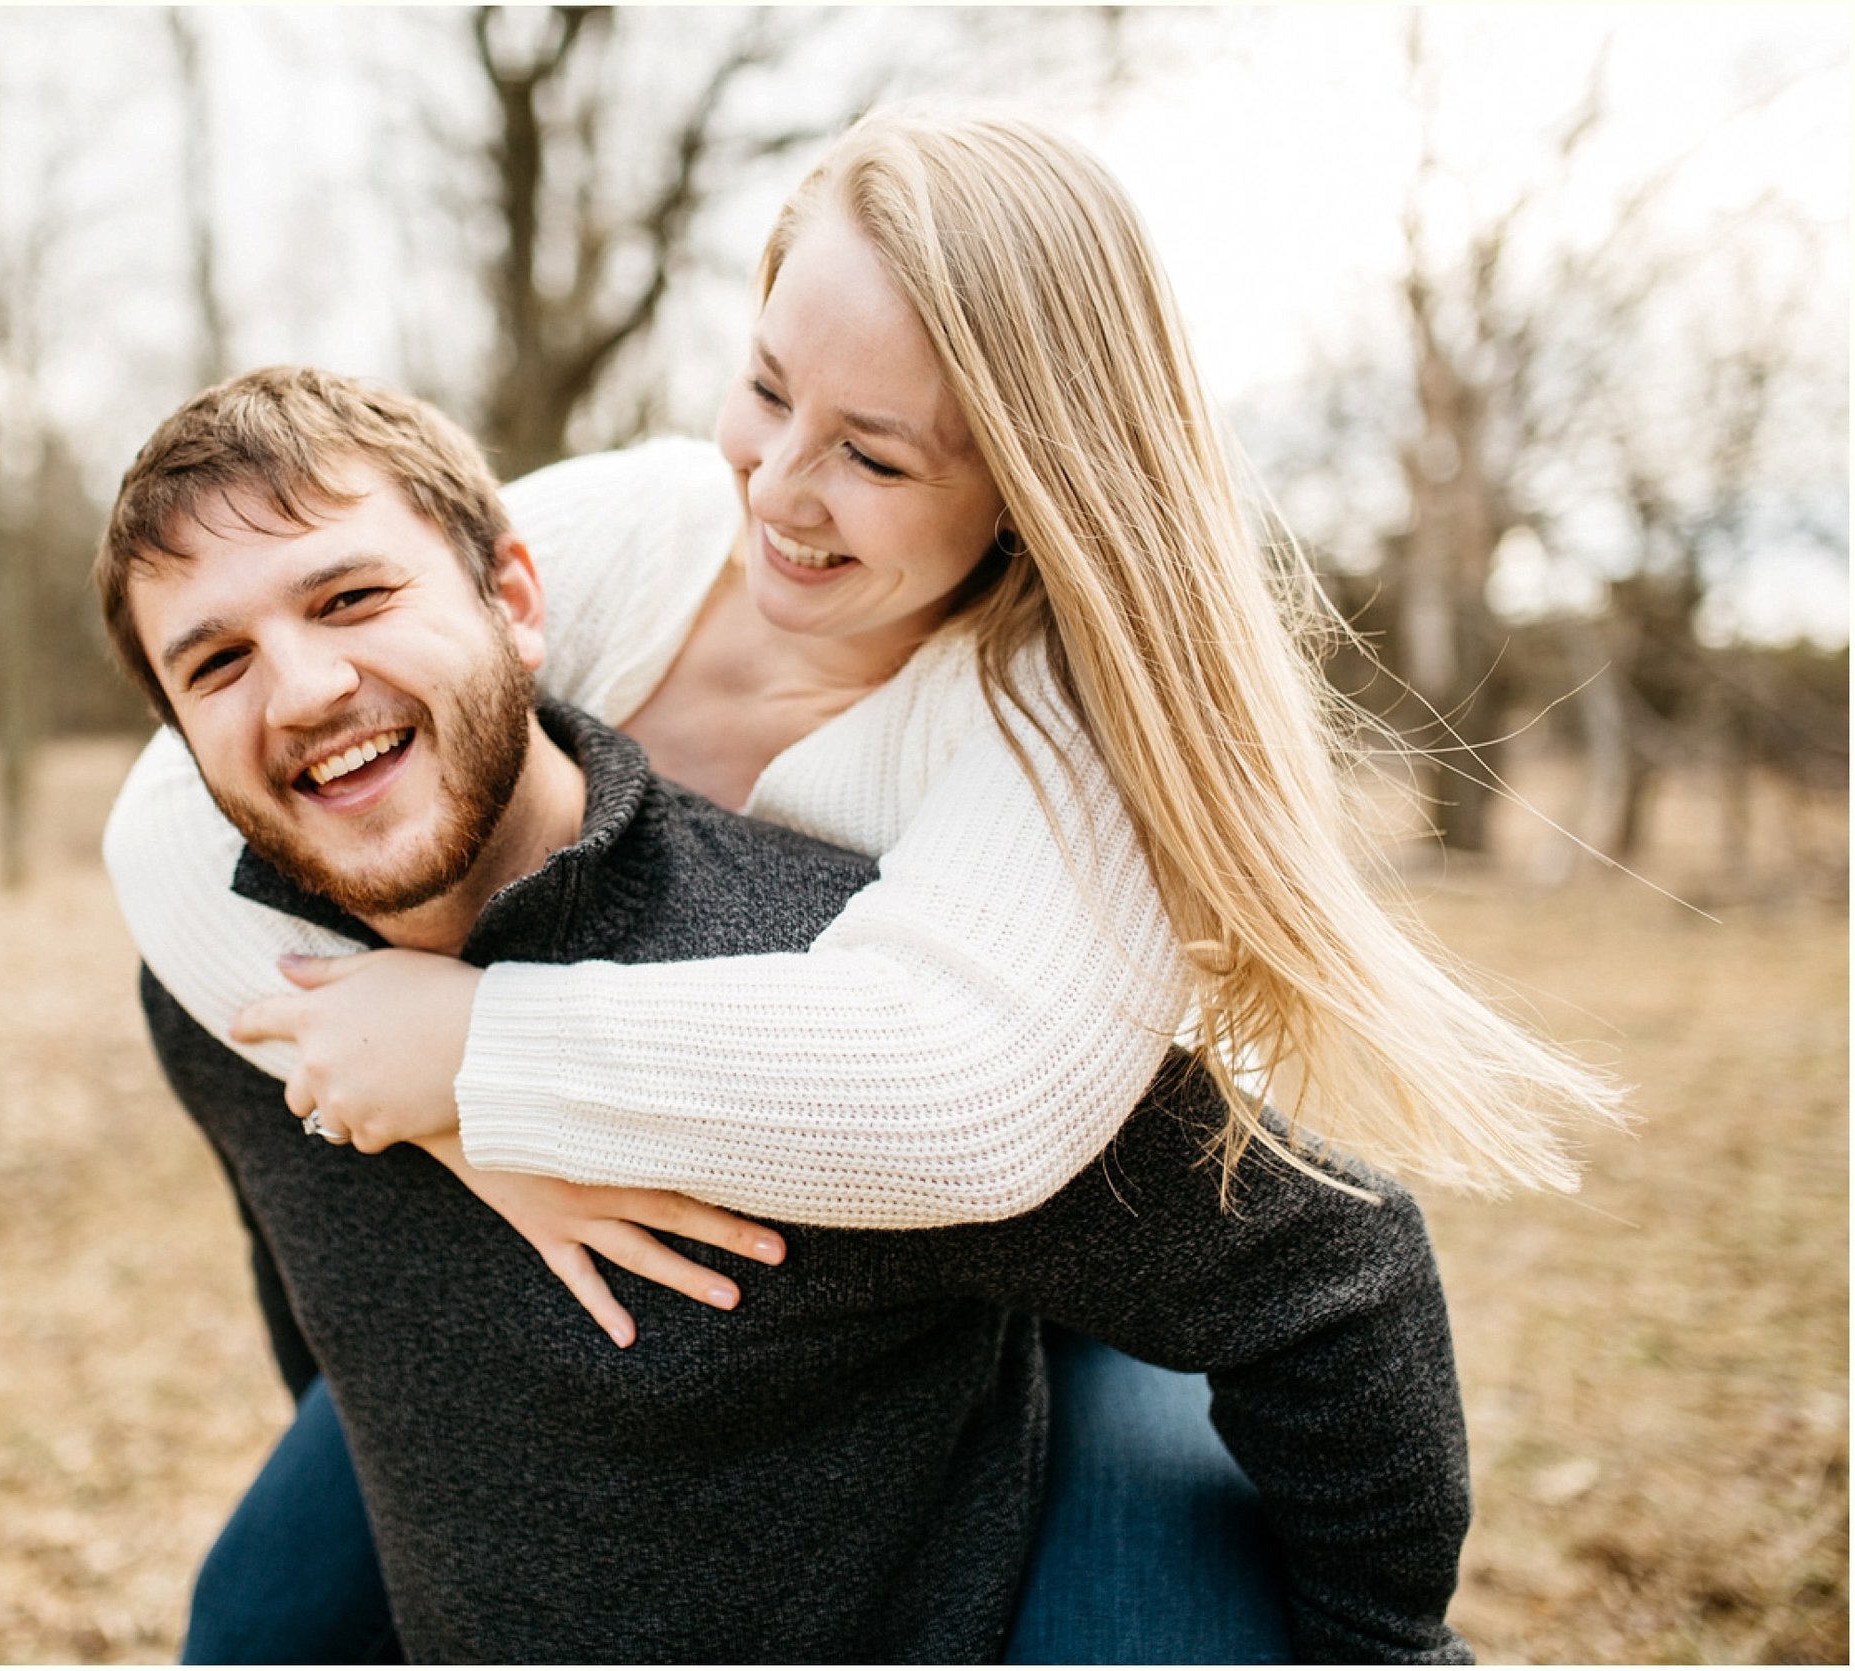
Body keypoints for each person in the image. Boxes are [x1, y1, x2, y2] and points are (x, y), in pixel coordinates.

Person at [103, 105, 1622, 1658]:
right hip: (675, 1229)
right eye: (766, 386)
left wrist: (483, 1058)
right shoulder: (631, 526)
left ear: (1034, 485)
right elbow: (175, 818)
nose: (777, 485)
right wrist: (450, 1118)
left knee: (1154, 1635)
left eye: (874, 455)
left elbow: (966, 1106)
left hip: (1067, 1248)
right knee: (267, 1610)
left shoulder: (1054, 737)